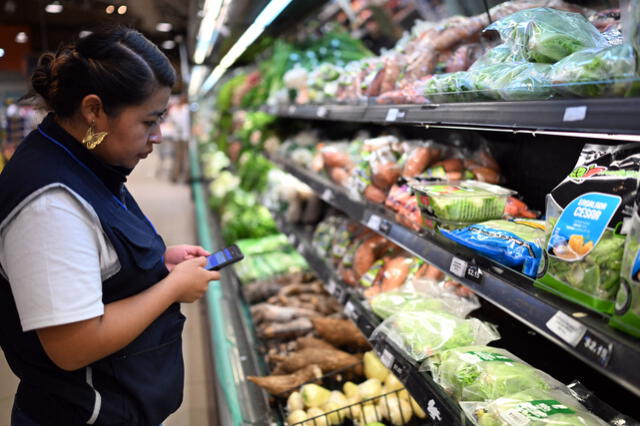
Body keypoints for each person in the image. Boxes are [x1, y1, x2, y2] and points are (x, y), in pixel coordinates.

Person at [0, 26, 220, 426]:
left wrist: (156, 263)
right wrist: (171, 286)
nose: (156, 137)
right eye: (148, 121)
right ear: (93, 111)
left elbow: (95, 251)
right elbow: (73, 345)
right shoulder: (49, 205)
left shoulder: (83, 159)